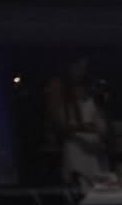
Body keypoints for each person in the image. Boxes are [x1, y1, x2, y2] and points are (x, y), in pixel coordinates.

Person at [45, 57, 109, 187]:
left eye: (84, 67)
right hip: (75, 149)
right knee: (78, 187)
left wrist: (102, 131)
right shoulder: (59, 89)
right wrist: (84, 128)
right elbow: (60, 125)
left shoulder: (91, 94)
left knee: (99, 189)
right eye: (78, 66)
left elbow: (102, 123)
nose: (81, 70)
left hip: (95, 152)